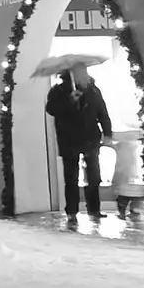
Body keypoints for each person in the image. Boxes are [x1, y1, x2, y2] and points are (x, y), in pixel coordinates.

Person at [45, 65, 112, 220]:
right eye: (80, 72)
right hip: (69, 139)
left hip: (90, 138)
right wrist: (70, 100)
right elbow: (51, 109)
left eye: (85, 71)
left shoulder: (94, 90)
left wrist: (107, 132)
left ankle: (94, 209)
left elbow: (102, 111)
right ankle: (72, 212)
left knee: (94, 176)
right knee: (71, 177)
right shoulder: (58, 91)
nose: (84, 75)